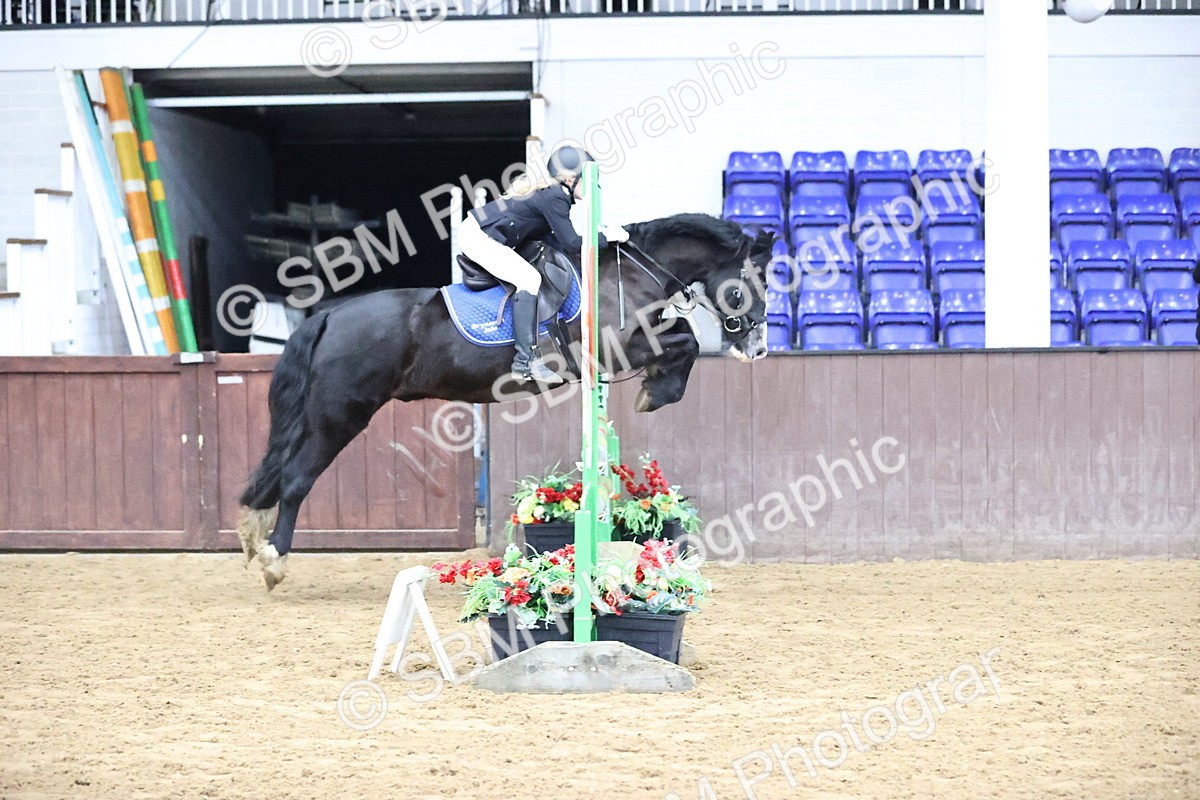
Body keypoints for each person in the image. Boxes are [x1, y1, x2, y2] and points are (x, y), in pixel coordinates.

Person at [458, 145, 629, 384]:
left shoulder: (554, 193)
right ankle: (524, 362)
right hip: (479, 237)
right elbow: (571, 242)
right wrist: (607, 237)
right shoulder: (555, 195)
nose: (593, 188)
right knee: (529, 279)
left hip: (481, 230)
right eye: (588, 181)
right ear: (570, 178)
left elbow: (556, 240)